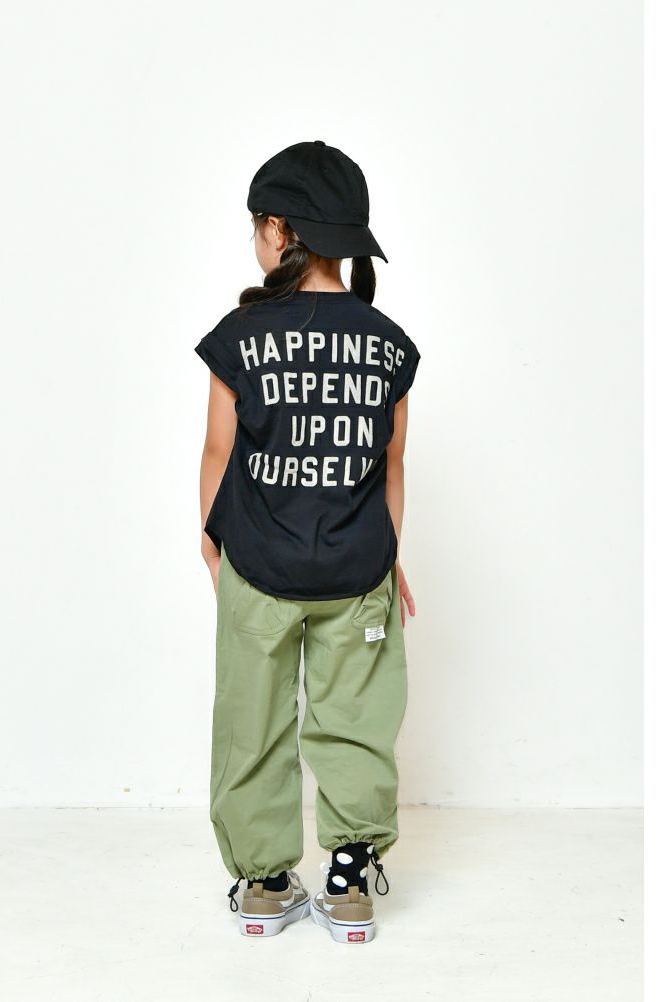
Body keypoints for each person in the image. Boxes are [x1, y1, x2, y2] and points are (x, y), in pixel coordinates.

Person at [195, 141, 420, 944]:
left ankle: (261, 882)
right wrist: (388, 556)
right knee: (355, 718)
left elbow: (218, 452)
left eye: (258, 225)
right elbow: (391, 465)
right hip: (358, 569)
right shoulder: (389, 344)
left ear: (280, 230)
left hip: (258, 562)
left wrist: (213, 545)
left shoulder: (240, 335)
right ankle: (351, 880)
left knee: (252, 721)